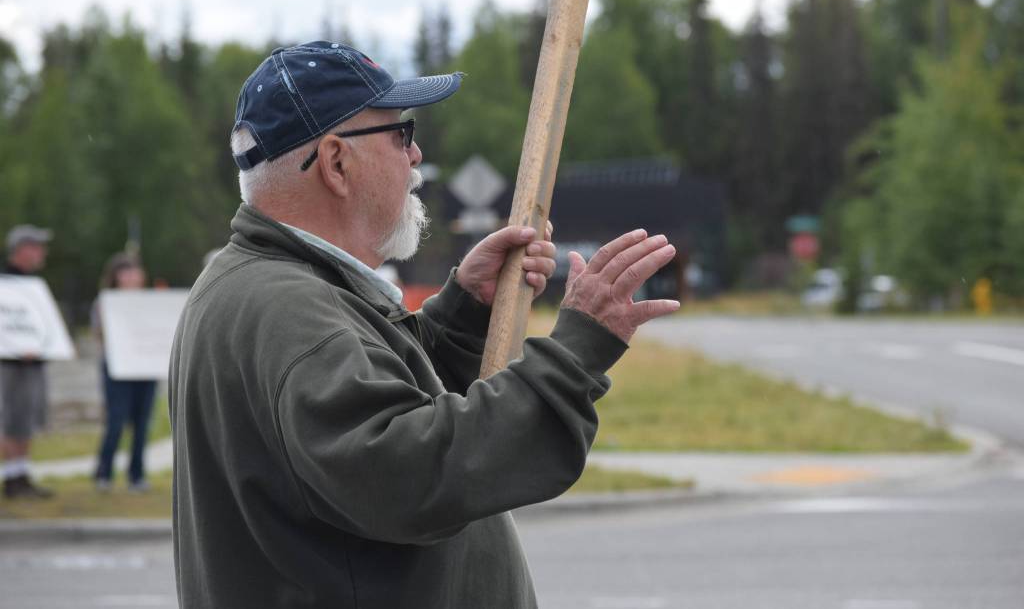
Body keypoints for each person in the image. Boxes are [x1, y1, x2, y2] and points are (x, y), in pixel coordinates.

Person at [170, 41, 679, 608]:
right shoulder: (290, 311)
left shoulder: (260, 286)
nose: (415, 157)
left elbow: (361, 428)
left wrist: (461, 317)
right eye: (400, 135)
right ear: (337, 163)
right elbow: (408, 477)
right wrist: (575, 353)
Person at [92, 252, 158, 493]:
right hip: (117, 370)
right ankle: (104, 472)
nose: (132, 276)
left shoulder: (151, 301)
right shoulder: (104, 302)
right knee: (116, 421)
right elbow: (99, 334)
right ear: (116, 276)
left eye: (135, 271)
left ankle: (136, 475)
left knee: (142, 424)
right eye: (126, 272)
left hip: (145, 369)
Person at [1, 224, 55, 500]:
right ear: (22, 249)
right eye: (37, 247)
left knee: (27, 420)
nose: (42, 252)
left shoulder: (33, 285)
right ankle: (11, 478)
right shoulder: (6, 283)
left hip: (34, 363)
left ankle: (22, 475)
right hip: (10, 365)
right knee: (11, 420)